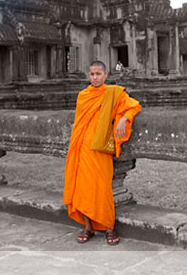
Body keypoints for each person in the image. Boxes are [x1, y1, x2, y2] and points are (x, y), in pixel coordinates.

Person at [63, 60, 141, 245]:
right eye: (92, 74)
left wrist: (124, 119)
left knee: (102, 188)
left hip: (100, 148)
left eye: (98, 74)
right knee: (82, 189)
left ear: (106, 75)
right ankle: (88, 227)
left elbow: (134, 106)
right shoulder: (83, 95)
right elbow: (80, 123)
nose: (95, 77)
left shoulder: (114, 93)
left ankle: (109, 228)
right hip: (82, 148)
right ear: (88, 75)